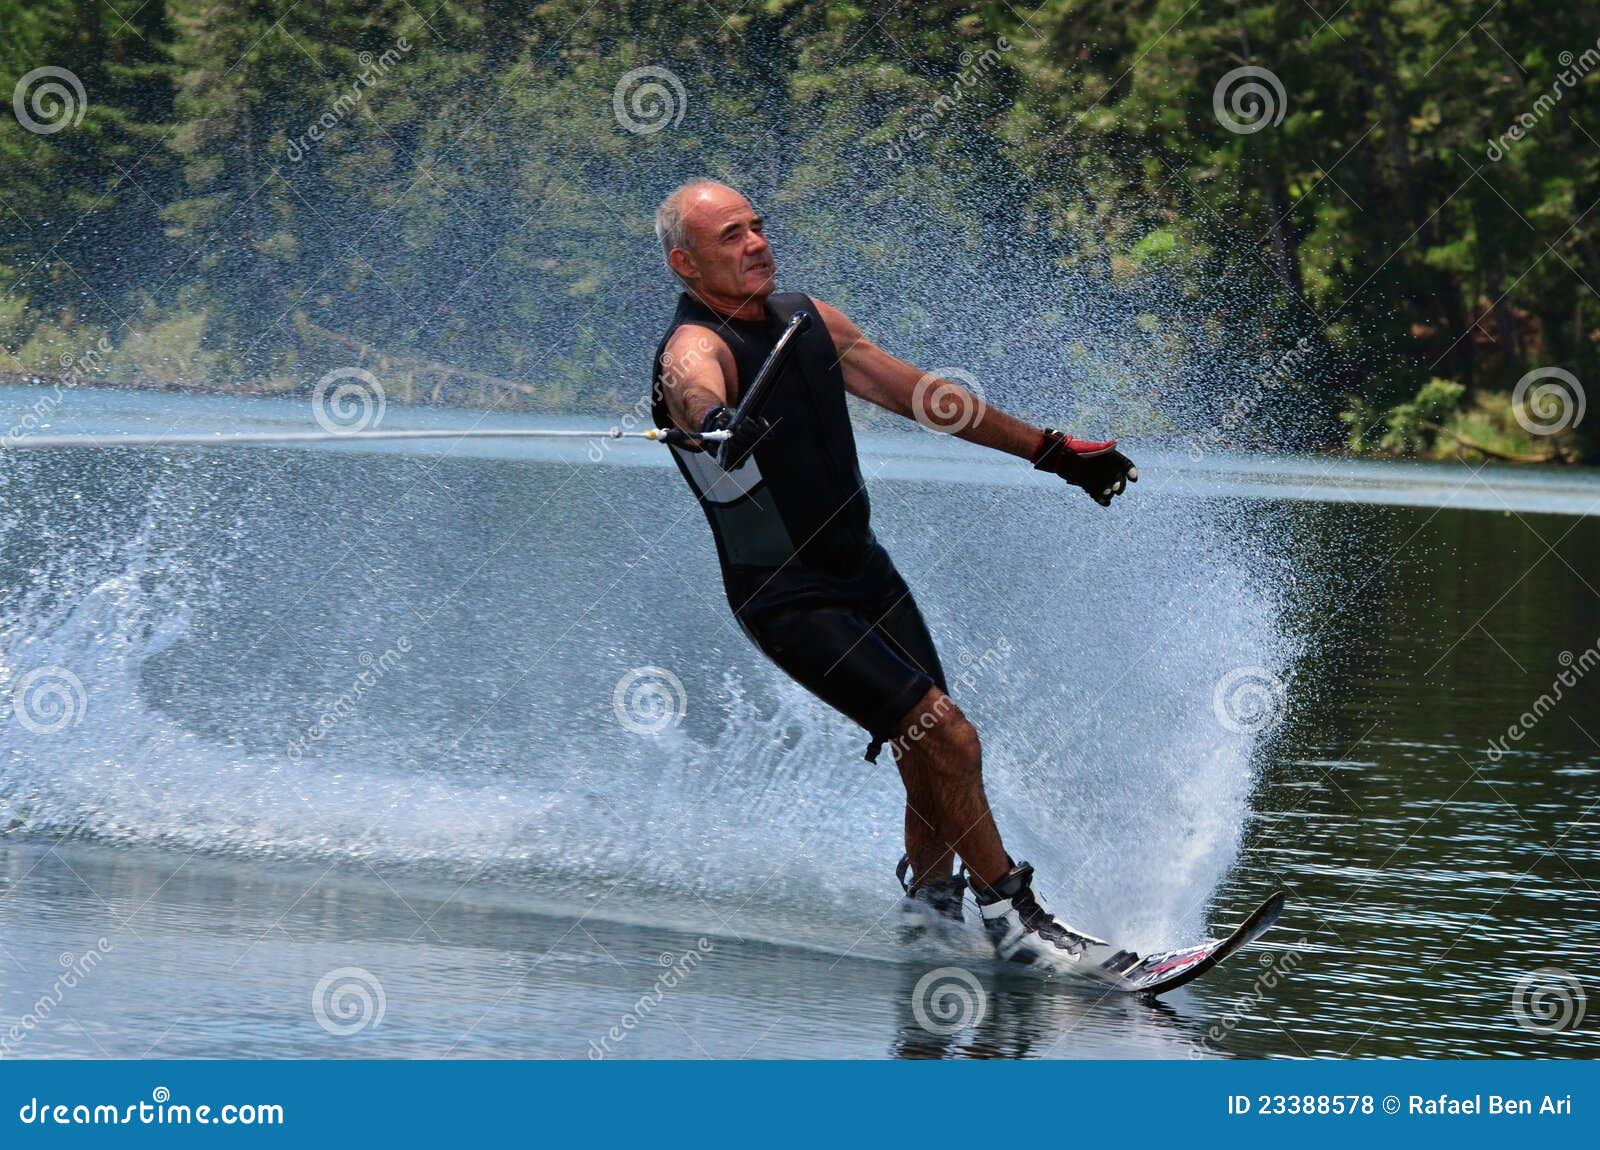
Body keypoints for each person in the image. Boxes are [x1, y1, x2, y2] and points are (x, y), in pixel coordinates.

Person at [648, 180, 1137, 971]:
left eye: (757, 227)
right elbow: (691, 386)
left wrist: (1050, 452)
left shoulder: (808, 321)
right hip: (787, 597)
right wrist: (712, 423)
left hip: (863, 572)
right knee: (947, 734)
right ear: (686, 263)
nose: (757, 243)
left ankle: (931, 913)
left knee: (927, 745)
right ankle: (1016, 922)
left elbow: (926, 398)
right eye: (731, 236)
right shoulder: (692, 347)